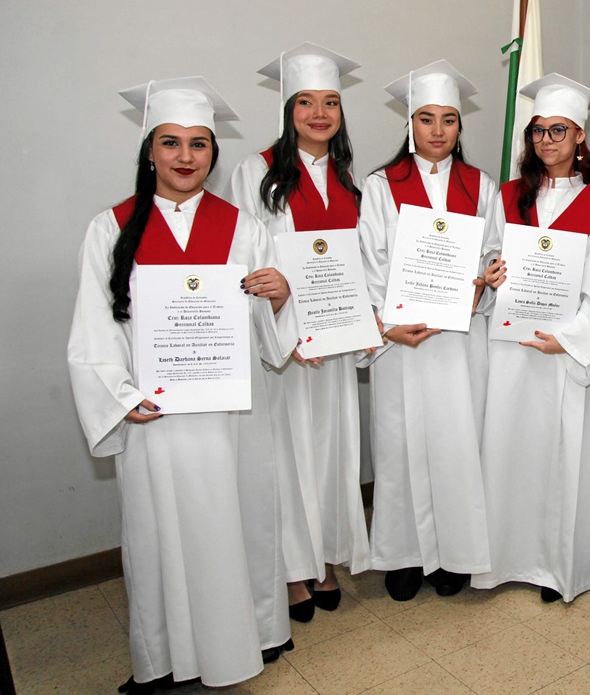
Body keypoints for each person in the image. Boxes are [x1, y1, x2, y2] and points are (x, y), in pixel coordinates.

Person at [68, 78, 296, 691]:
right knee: (157, 534)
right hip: (157, 416)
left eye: (199, 144)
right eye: (171, 143)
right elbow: (94, 330)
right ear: (150, 151)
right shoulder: (111, 228)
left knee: (239, 519)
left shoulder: (242, 227)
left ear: (212, 154)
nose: (185, 157)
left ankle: (255, 632)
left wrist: (278, 299)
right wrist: (121, 397)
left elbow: (269, 339)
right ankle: (165, 658)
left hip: (231, 415)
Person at [227, 43, 371, 622]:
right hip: (283, 351)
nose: (320, 113)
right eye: (306, 102)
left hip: (332, 347)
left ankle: (324, 561)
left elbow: (357, 263)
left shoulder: (345, 177)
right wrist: (292, 327)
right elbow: (248, 263)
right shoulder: (255, 172)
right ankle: (291, 572)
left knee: (332, 452)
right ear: (288, 110)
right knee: (287, 455)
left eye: (331, 102)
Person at [358, 61, 497, 601]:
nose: (437, 131)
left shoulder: (480, 185)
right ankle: (404, 555)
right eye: (425, 119)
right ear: (409, 124)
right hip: (402, 340)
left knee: (457, 442)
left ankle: (456, 553)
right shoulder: (380, 186)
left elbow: (493, 252)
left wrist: (487, 279)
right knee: (400, 446)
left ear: (461, 127)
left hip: (461, 341)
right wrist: (387, 325)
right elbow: (369, 259)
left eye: (448, 120)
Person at [473, 74, 590, 603]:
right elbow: (488, 253)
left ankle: (559, 566)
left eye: (559, 130)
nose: (548, 140)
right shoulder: (508, 196)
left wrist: (572, 338)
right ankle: (505, 558)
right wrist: (493, 272)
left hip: (560, 352)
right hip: (510, 347)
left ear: (580, 136)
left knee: (561, 456)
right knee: (508, 446)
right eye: (539, 131)